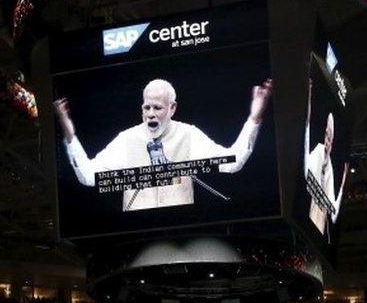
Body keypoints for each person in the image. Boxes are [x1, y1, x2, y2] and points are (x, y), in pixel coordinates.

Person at [54, 78, 273, 211]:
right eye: (146, 107)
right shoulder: (126, 139)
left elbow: (232, 162)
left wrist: (253, 119)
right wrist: (70, 136)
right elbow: (88, 176)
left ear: (172, 108)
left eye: (157, 108)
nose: (150, 114)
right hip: (137, 230)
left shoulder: (189, 134)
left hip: (182, 230)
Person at [303, 81, 349, 238]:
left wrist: (343, 183)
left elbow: (334, 213)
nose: (327, 141)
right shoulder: (316, 153)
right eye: (326, 135)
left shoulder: (329, 167)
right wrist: (307, 98)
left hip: (321, 227)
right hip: (308, 218)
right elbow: (306, 130)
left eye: (330, 137)